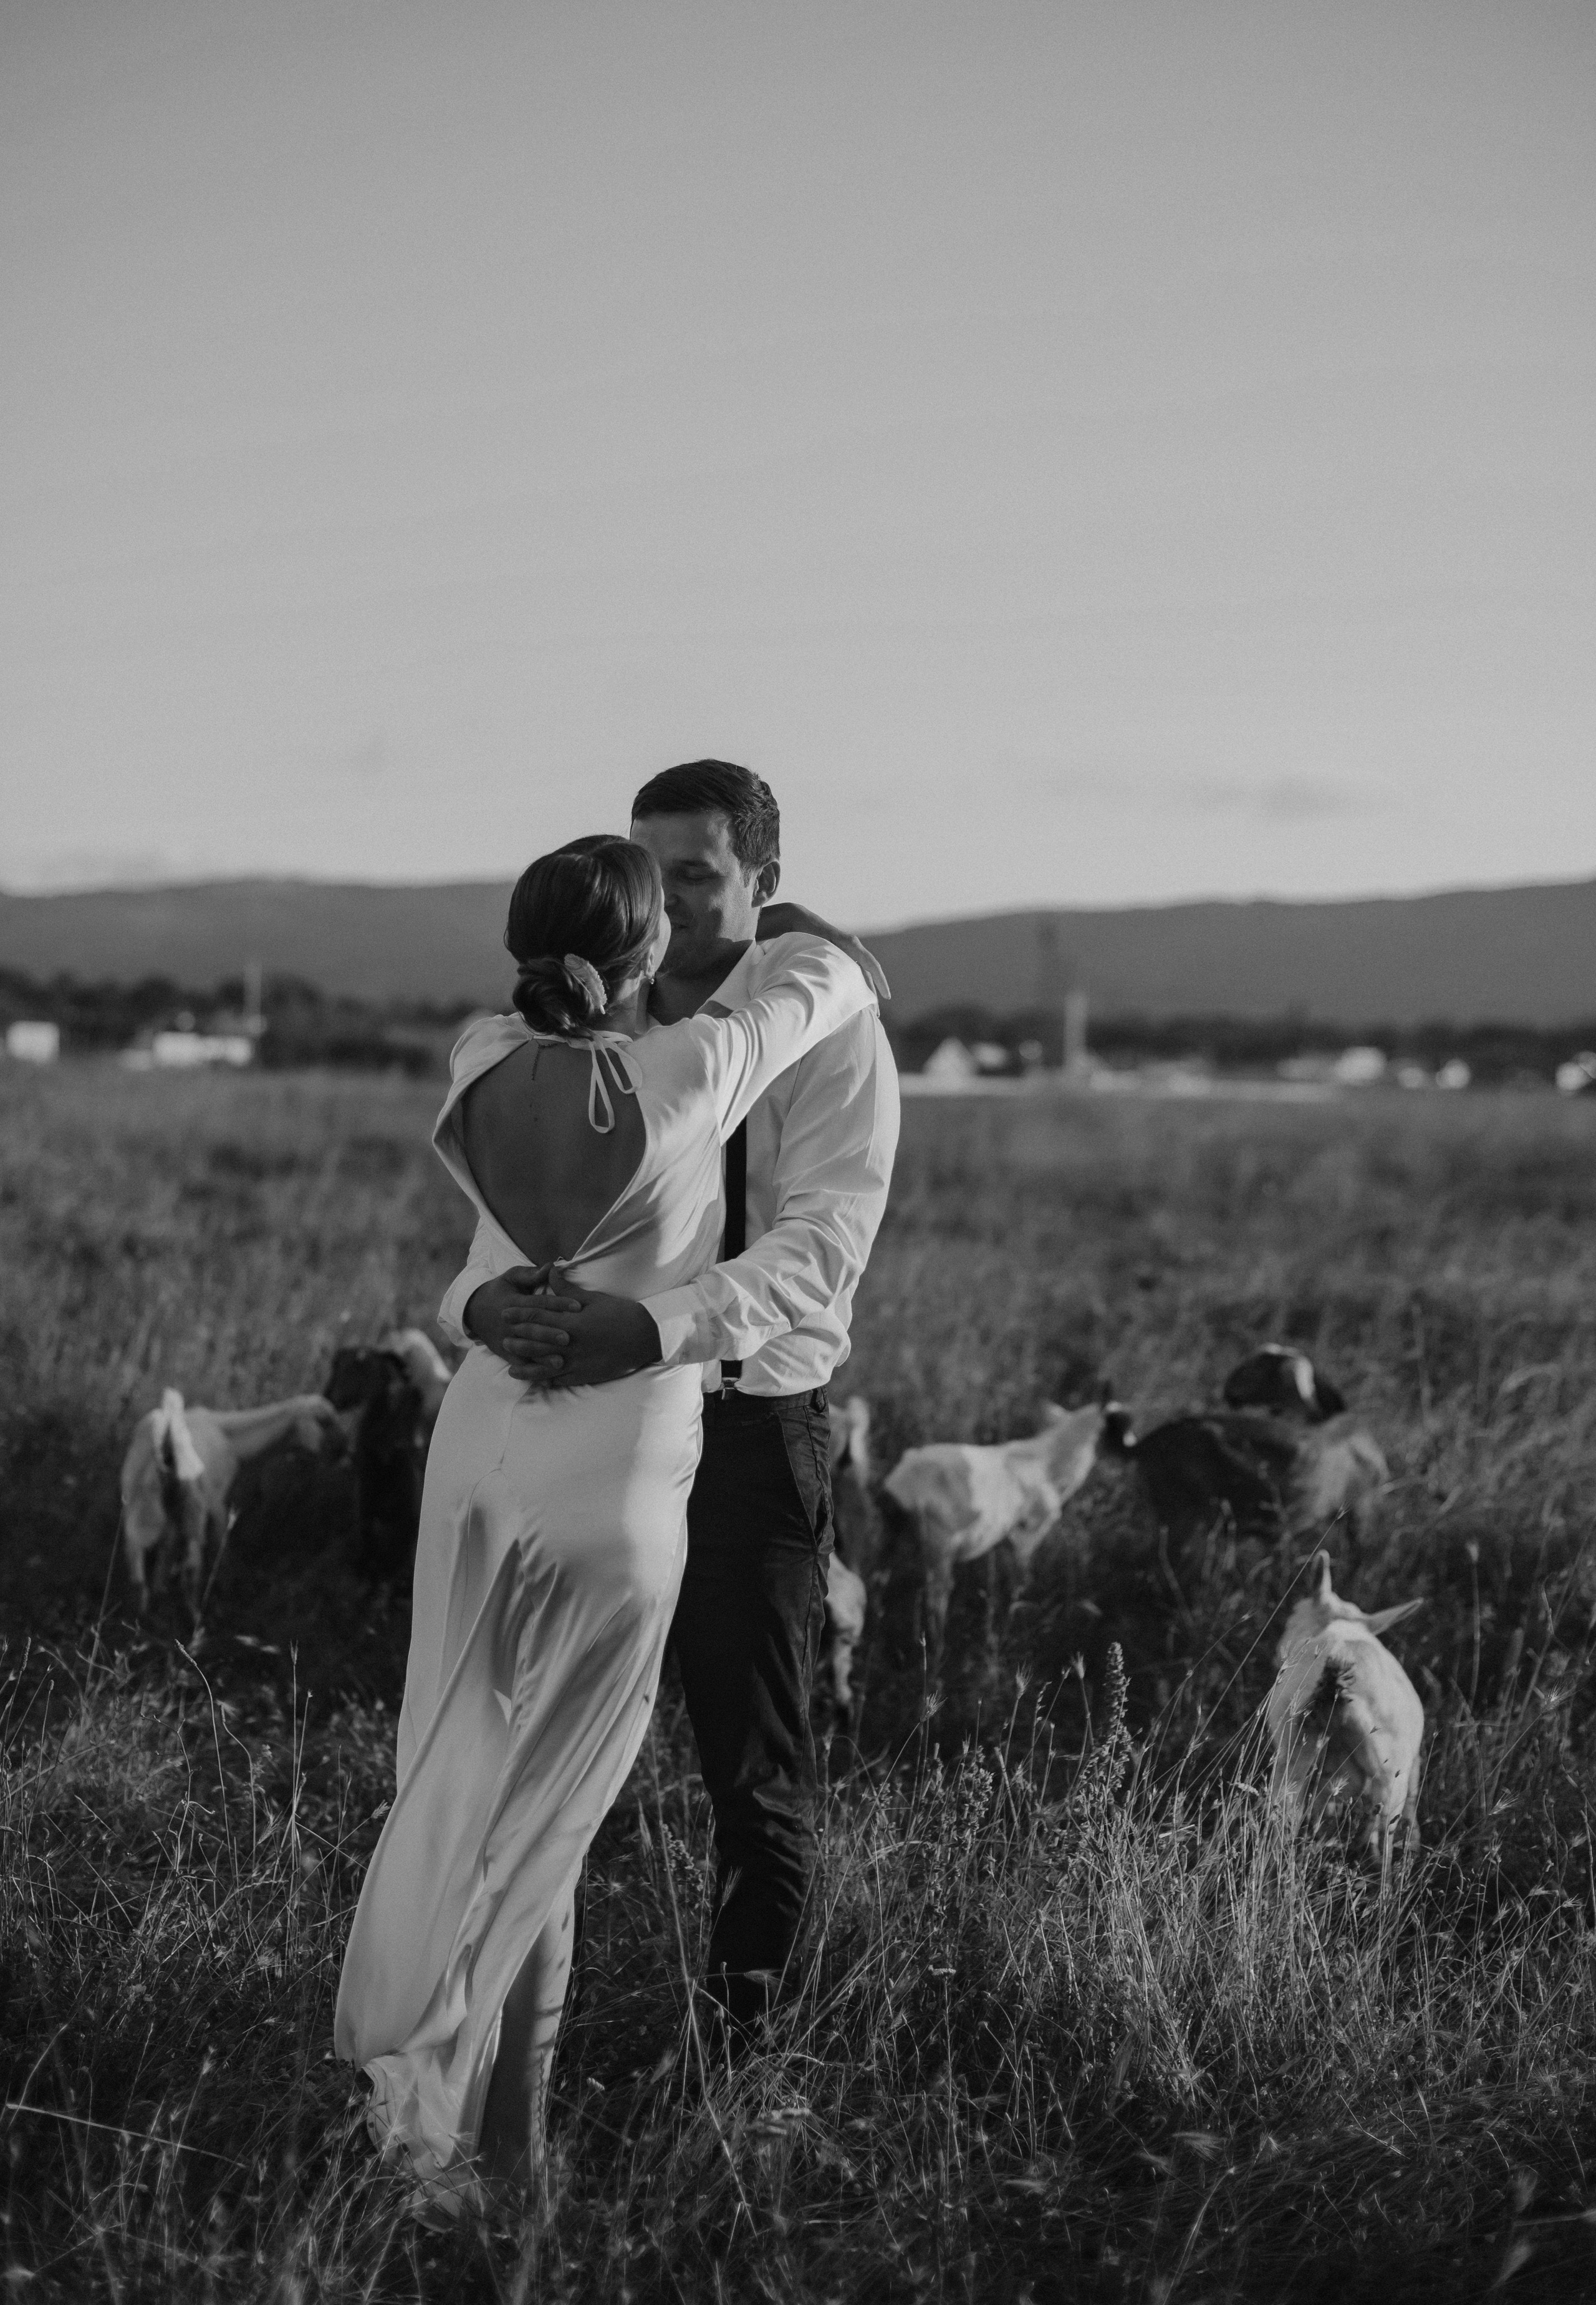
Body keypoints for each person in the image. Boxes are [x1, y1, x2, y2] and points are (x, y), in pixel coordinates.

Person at [333, 832, 882, 2211]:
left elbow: (479, 1267)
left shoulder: (473, 1055)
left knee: (459, 1772)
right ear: (643, 953)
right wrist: (828, 946)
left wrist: (477, 1312)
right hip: (610, 1468)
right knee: (550, 1822)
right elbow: (802, 998)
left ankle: (453, 2121)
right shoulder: (684, 1069)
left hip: (480, 1444)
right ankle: (482, 2141)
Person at [443, 762, 901, 2040]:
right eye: (655, 874)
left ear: (763, 882)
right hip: (588, 1439)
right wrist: (493, 1310)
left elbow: (818, 1246)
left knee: (752, 1778)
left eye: (700, 875)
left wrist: (646, 1330)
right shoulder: (598, 1017)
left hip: (751, 1430)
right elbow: (501, 1235)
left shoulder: (822, 1022)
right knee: (523, 1759)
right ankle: (510, 2047)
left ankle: (738, 2067)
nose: (673, 902)